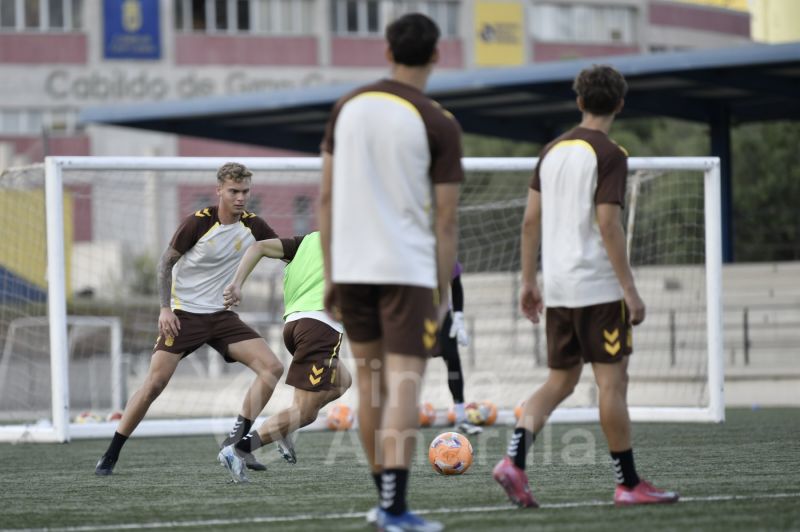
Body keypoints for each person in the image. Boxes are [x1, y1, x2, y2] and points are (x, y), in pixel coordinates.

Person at [492, 65, 679, 507]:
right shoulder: (611, 153)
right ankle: (629, 483)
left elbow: (530, 222)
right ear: (618, 104)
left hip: (557, 287)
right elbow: (609, 224)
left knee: (560, 380)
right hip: (597, 288)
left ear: (579, 102)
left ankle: (513, 462)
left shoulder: (552, 150)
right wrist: (629, 289)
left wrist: (527, 281)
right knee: (612, 383)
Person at [319, 13, 462, 532]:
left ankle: (383, 500)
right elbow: (445, 219)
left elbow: (326, 197)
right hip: (405, 269)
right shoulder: (439, 121)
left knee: (370, 387)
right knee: (403, 384)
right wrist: (443, 289)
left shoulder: (347, 107)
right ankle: (395, 508)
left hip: (353, 267)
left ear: (387, 51)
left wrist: (331, 271)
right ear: (436, 55)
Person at [95, 162, 285, 476]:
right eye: (234, 191)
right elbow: (165, 264)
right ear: (220, 191)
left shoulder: (255, 225)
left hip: (222, 316)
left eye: (245, 191)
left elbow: (282, 251)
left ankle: (236, 443)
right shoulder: (197, 223)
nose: (240, 198)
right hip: (183, 316)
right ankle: (111, 454)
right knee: (154, 384)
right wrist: (165, 308)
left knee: (272, 368)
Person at [217, 231, 352, 483]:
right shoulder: (359, 241)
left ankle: (282, 428)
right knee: (305, 412)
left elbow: (258, 247)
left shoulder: (309, 240)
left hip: (294, 325)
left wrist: (236, 283)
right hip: (319, 329)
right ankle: (238, 450)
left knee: (342, 380)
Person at [437, 261, 482, 435]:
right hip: (414, 315)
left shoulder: (444, 253)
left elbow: (456, 285)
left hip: (442, 316)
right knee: (407, 365)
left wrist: (459, 318)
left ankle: (461, 417)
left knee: (453, 360)